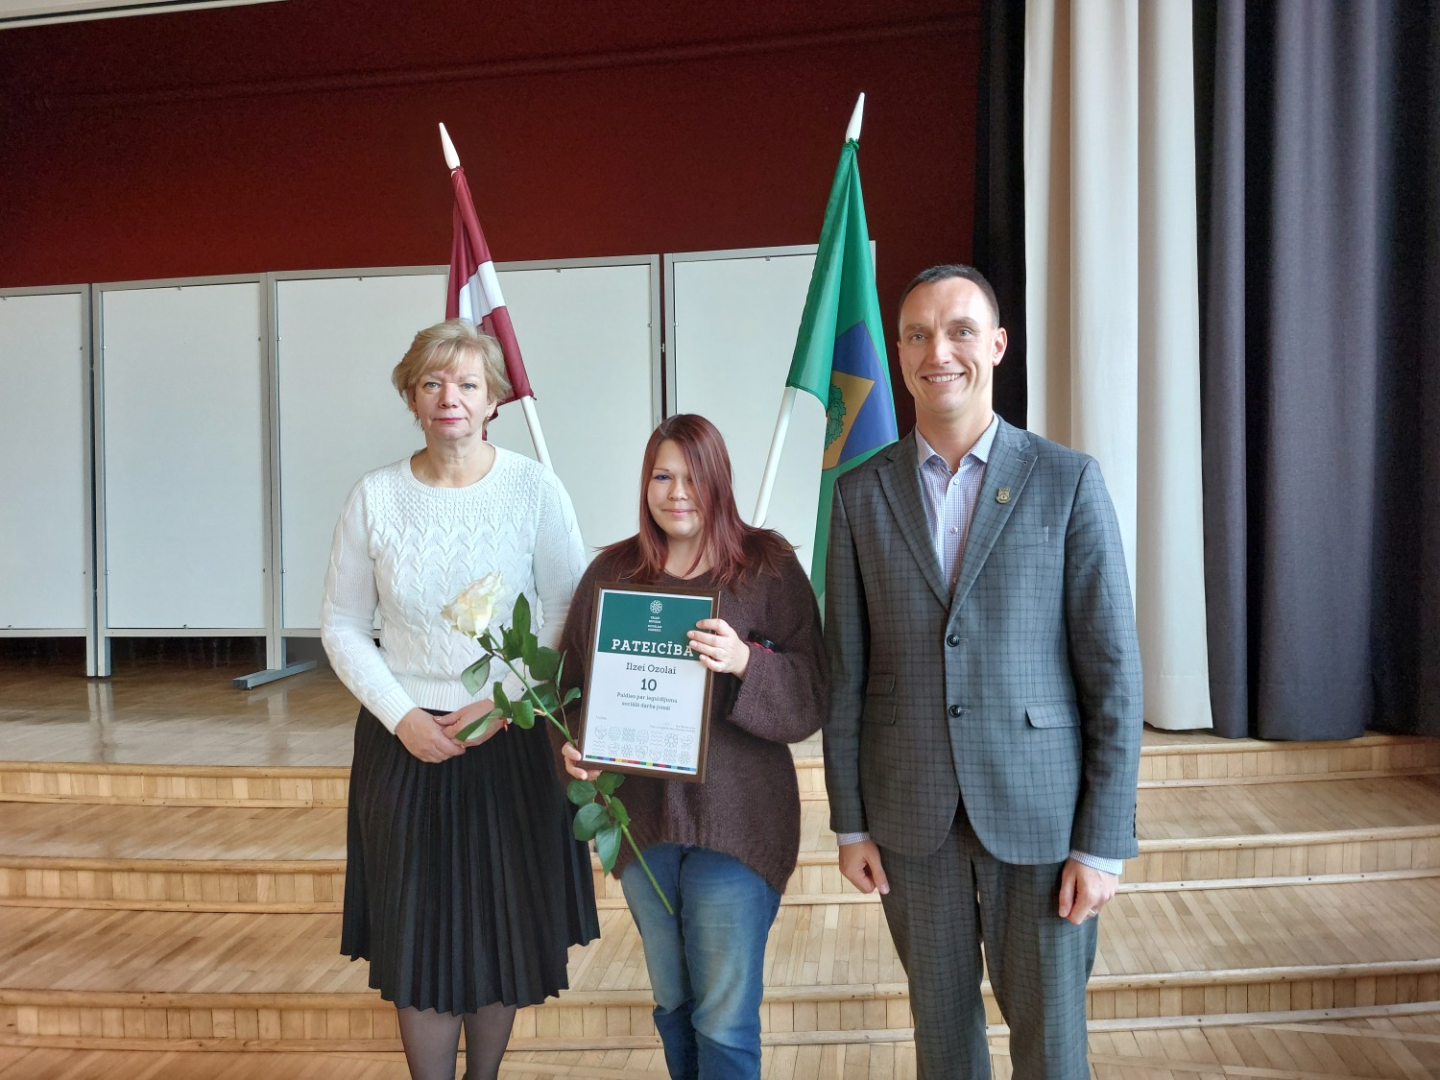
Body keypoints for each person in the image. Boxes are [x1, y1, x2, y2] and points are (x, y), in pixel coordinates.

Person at [823, 265, 1143, 1080]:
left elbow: (1113, 674)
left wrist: (1102, 842)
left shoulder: (1068, 481)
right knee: (942, 1042)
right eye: (919, 335)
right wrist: (850, 824)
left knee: (1053, 1048)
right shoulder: (859, 495)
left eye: (961, 330)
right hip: (910, 817)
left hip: (1042, 819)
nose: (940, 351)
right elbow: (846, 673)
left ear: (997, 345)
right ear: (900, 354)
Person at [320, 319, 599, 1080]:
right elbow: (342, 625)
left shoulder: (535, 488)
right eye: (433, 382)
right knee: (418, 934)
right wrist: (402, 716)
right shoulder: (375, 496)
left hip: (509, 741)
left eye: (468, 384)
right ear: (412, 397)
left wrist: (504, 702)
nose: (451, 397)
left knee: (496, 927)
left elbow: (567, 612)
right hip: (403, 746)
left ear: (493, 399)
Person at [557, 414, 827, 1080]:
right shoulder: (612, 572)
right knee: (674, 1005)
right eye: (662, 476)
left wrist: (746, 662)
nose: (678, 493)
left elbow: (814, 693)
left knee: (723, 1019)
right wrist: (573, 748)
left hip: (737, 829)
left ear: (720, 482)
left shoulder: (766, 567)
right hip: (641, 827)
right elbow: (567, 691)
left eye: (694, 477)